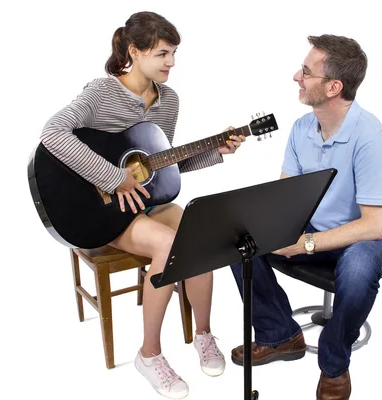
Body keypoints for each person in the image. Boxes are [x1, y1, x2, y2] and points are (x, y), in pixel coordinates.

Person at [40, 11, 245, 399]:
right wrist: (113, 177)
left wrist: (216, 152)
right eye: (163, 54)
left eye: (174, 53)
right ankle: (149, 355)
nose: (171, 63)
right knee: (168, 246)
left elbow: (159, 164)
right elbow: (53, 133)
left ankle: (203, 334)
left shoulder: (169, 101)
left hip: (146, 203)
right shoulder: (101, 93)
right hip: (100, 210)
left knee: (201, 234)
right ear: (134, 52)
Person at [229, 34, 382, 400]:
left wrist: (303, 243)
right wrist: (269, 228)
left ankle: (334, 363)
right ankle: (279, 335)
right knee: (237, 240)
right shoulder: (302, 128)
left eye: (306, 72)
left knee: (357, 270)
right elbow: (286, 198)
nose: (296, 77)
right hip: (314, 230)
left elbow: (373, 225)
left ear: (334, 87)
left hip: (363, 239)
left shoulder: (369, 137)